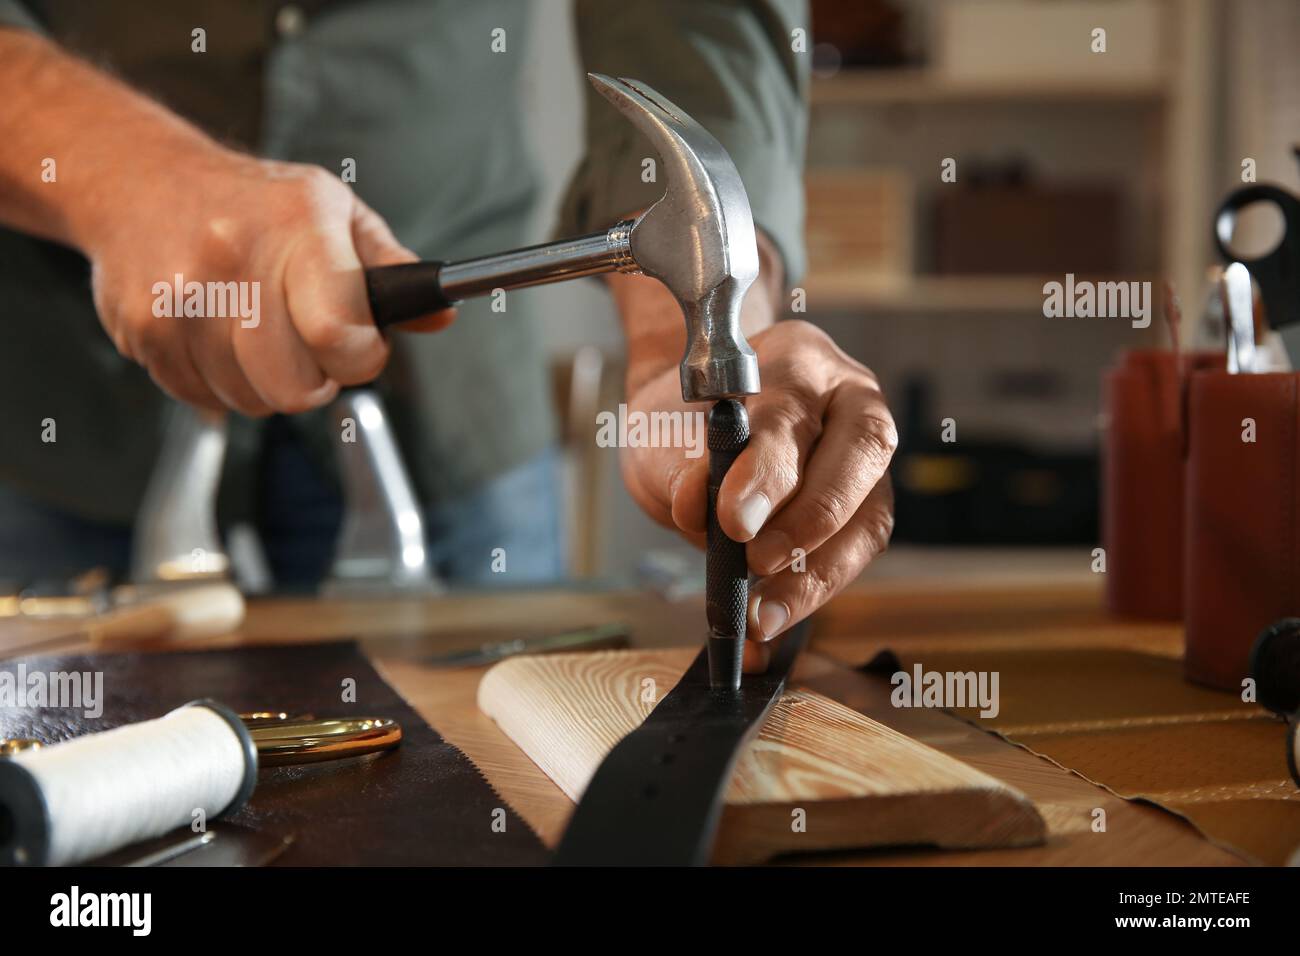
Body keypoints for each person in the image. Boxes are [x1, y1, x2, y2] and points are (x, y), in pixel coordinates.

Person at [0, 0, 895, 667]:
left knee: (480, 790)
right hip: (57, 398)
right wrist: (127, 175)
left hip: (455, 414)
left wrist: (691, 344)